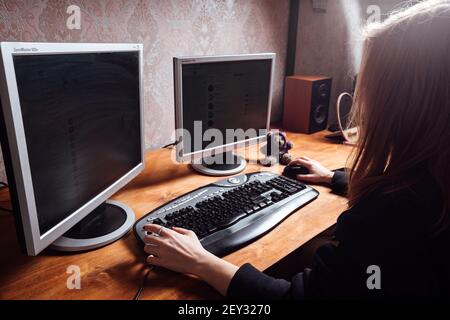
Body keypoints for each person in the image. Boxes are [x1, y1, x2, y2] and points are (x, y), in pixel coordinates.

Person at [143, 0, 450, 299]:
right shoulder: (431, 190)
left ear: (402, 107)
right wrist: (333, 177)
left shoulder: (389, 218)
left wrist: (201, 261)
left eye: (366, 86)